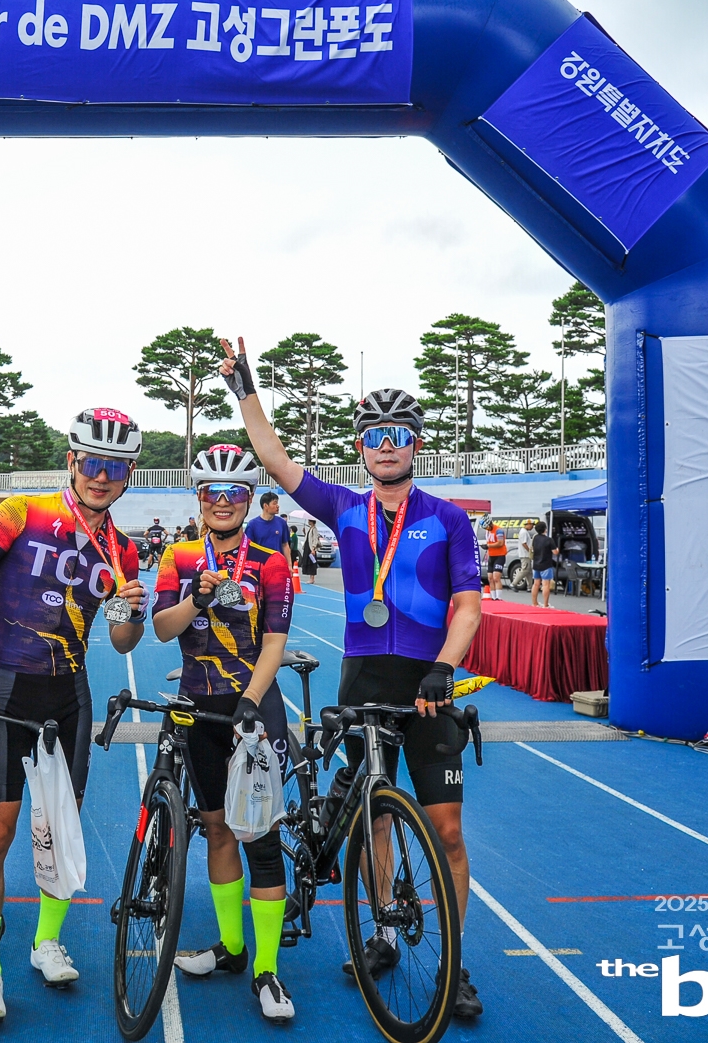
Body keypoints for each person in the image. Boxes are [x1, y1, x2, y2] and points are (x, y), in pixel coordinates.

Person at [218, 339, 485, 1019]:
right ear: (361, 447)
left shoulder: (448, 518)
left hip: (429, 684)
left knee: (448, 830)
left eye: (397, 435)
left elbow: (468, 606)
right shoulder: (342, 506)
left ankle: (453, 962)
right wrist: (245, 390)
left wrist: (443, 667)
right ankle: (385, 934)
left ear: (416, 444)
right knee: (374, 816)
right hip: (363, 680)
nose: (385, 446)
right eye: (373, 436)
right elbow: (276, 460)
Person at [0, 407, 147, 1024]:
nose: (101, 477)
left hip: (69, 695)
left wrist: (133, 613)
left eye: (115, 467)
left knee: (60, 830)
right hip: (7, 687)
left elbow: (122, 642)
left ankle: (47, 941)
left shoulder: (122, 550)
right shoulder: (21, 512)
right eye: (92, 463)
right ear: (72, 462)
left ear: (128, 476)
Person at [156, 445, 298, 1021]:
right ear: (199, 498)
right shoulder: (179, 555)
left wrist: (250, 702)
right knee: (216, 827)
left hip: (252, 707)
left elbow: (274, 643)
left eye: (233, 493)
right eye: (212, 492)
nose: (222, 501)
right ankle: (232, 948)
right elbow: (162, 629)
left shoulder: (271, 561)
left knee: (258, 836)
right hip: (198, 709)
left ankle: (267, 970)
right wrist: (196, 597)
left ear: (248, 499)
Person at [530, 521, 557, 608]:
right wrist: (558, 549)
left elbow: (533, 548)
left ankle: (534, 603)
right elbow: (555, 552)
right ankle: (545, 604)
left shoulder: (535, 538)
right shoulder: (549, 540)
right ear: (545, 529)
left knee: (536, 584)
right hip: (546, 564)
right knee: (546, 585)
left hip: (536, 564)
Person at [482, 518, 509, 601]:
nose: (487, 529)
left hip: (499, 555)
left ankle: (498, 597)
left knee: (496, 577)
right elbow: (489, 542)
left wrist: (489, 546)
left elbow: (500, 543)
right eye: (485, 528)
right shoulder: (487, 531)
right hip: (491, 556)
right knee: (490, 578)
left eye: (487, 527)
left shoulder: (498, 530)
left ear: (490, 524)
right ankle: (493, 597)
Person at [300, 518, 320, 584]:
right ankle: (310, 577)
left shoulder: (314, 529)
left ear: (312, 521)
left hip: (311, 548)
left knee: (312, 563)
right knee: (307, 562)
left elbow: (315, 539)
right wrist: (304, 532)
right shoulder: (310, 529)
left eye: (309, 521)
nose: (308, 522)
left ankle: (312, 578)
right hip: (307, 547)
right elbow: (308, 538)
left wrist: (313, 548)